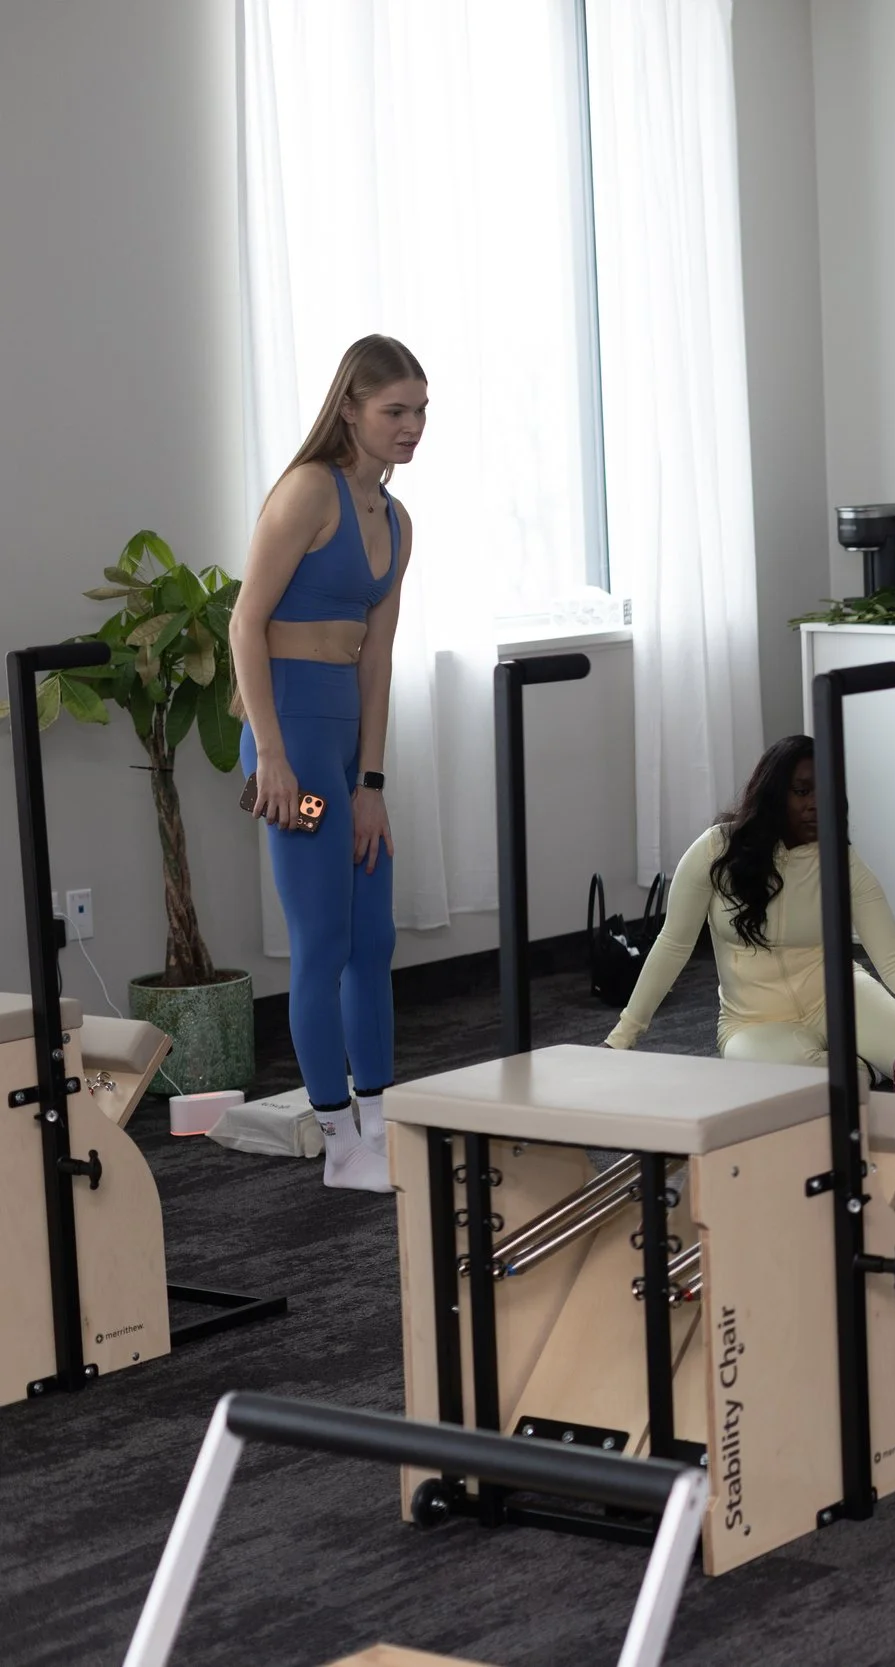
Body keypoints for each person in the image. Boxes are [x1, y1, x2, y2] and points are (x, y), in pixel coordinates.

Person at [230, 335, 426, 1193]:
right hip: (292, 746)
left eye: (421, 410)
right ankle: (339, 1142)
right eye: (395, 410)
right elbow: (245, 623)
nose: (412, 426)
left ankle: (379, 1125)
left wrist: (371, 783)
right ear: (350, 407)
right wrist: (271, 755)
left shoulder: (397, 520)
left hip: (345, 745)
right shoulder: (309, 490)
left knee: (373, 937)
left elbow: (377, 659)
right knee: (323, 939)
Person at [605, 736, 895, 1083]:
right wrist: (621, 1040)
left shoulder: (841, 861)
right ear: (773, 795)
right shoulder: (715, 851)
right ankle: (861, 1072)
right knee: (803, 1088)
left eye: (824, 791)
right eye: (802, 791)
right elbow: (673, 945)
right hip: (754, 1023)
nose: (815, 804)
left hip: (838, 996)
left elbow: (894, 959)